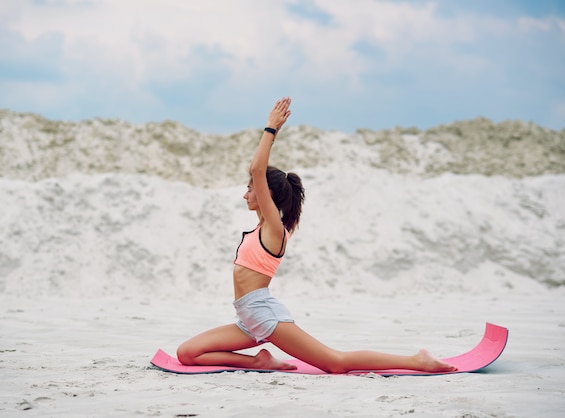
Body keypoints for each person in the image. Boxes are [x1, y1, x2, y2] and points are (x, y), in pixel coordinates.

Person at [177, 97, 457, 374]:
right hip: (247, 318)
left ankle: (417, 361)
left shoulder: (275, 228)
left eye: (251, 188)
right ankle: (259, 361)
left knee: (335, 363)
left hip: (264, 315)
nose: (246, 193)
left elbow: (257, 169)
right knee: (187, 353)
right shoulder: (261, 228)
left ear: (267, 195)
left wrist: (271, 128)